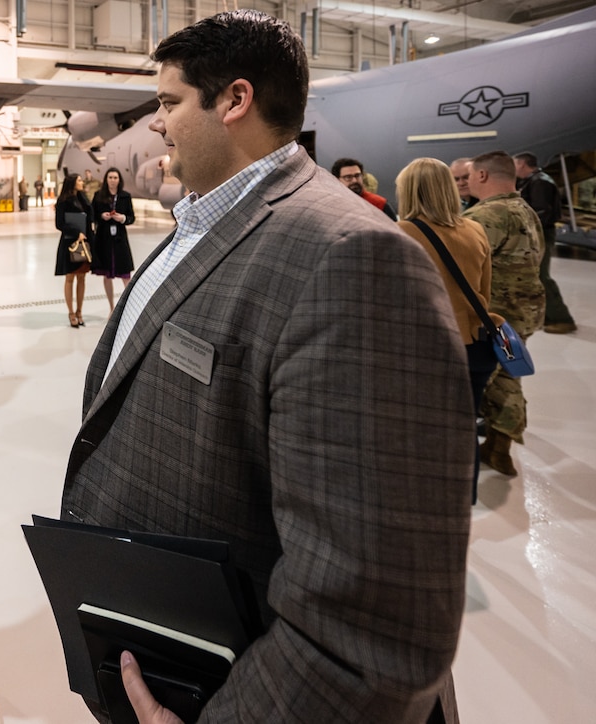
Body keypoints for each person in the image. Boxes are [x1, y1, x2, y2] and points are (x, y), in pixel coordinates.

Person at [58, 10, 472, 723]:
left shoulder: (352, 259)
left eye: (168, 103)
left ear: (234, 100)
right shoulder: (205, 222)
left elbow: (368, 629)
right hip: (176, 651)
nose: (157, 125)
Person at [396, 157, 499, 503]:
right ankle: (463, 497)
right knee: (464, 423)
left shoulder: (401, 234)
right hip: (477, 345)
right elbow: (484, 292)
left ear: (408, 192)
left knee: (421, 429)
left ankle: (427, 499)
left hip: (428, 350)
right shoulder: (476, 230)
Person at [464, 150, 545, 477]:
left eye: (469, 175)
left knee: (479, 384)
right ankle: (499, 448)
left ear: (482, 176)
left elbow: (463, 265)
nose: (467, 182)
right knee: (508, 377)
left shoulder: (486, 217)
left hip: (493, 317)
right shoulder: (525, 210)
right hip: (525, 312)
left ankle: (468, 456)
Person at [514, 151, 576, 333]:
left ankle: (562, 318)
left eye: (515, 164)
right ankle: (546, 316)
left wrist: (526, 231)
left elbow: (542, 213)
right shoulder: (533, 181)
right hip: (536, 233)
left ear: (523, 164)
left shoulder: (540, 182)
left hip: (540, 234)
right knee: (535, 276)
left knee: (542, 277)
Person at [89, 167, 136, 314]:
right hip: (104, 238)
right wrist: (102, 216)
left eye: (115, 178)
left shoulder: (125, 196)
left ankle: (129, 307)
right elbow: (92, 215)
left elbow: (131, 218)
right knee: (106, 275)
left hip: (120, 239)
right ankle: (111, 307)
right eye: (110, 177)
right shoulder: (98, 196)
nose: (113, 180)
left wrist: (122, 218)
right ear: (106, 179)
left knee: (126, 274)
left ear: (119, 180)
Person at [54, 172, 94, 327]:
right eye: (79, 180)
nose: (81, 182)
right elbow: (59, 224)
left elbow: (90, 217)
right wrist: (76, 233)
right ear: (72, 183)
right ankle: (71, 312)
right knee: (70, 278)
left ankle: (79, 311)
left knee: (82, 277)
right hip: (70, 242)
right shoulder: (63, 200)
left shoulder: (84, 198)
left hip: (85, 242)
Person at [331, 157, 398, 220]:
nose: (354, 180)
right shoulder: (330, 206)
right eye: (348, 177)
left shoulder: (380, 204)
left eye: (357, 176)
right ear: (337, 179)